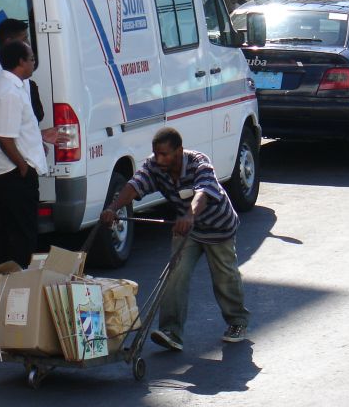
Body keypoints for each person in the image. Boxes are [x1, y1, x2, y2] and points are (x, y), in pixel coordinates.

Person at [100, 127, 249, 350]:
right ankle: (171, 331)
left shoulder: (200, 163)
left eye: (165, 154)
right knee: (175, 275)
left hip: (218, 227)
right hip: (187, 229)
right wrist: (113, 208)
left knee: (224, 277)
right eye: (156, 153)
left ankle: (237, 321)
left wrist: (190, 215)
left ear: (179, 151)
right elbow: (134, 185)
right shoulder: (155, 166)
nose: (159, 159)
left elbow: (203, 193)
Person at [0, 41, 47, 306]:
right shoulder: (9, 91)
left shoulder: (5, 85)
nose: (33, 63)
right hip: (11, 173)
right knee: (21, 235)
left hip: (1, 172)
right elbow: (5, 136)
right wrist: (22, 165)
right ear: (20, 61)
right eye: (30, 58)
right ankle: (18, 295)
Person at [0, 18, 44, 124]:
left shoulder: (16, 66)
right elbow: (4, 133)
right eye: (24, 39)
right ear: (9, 42)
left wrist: (38, 134)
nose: (28, 43)